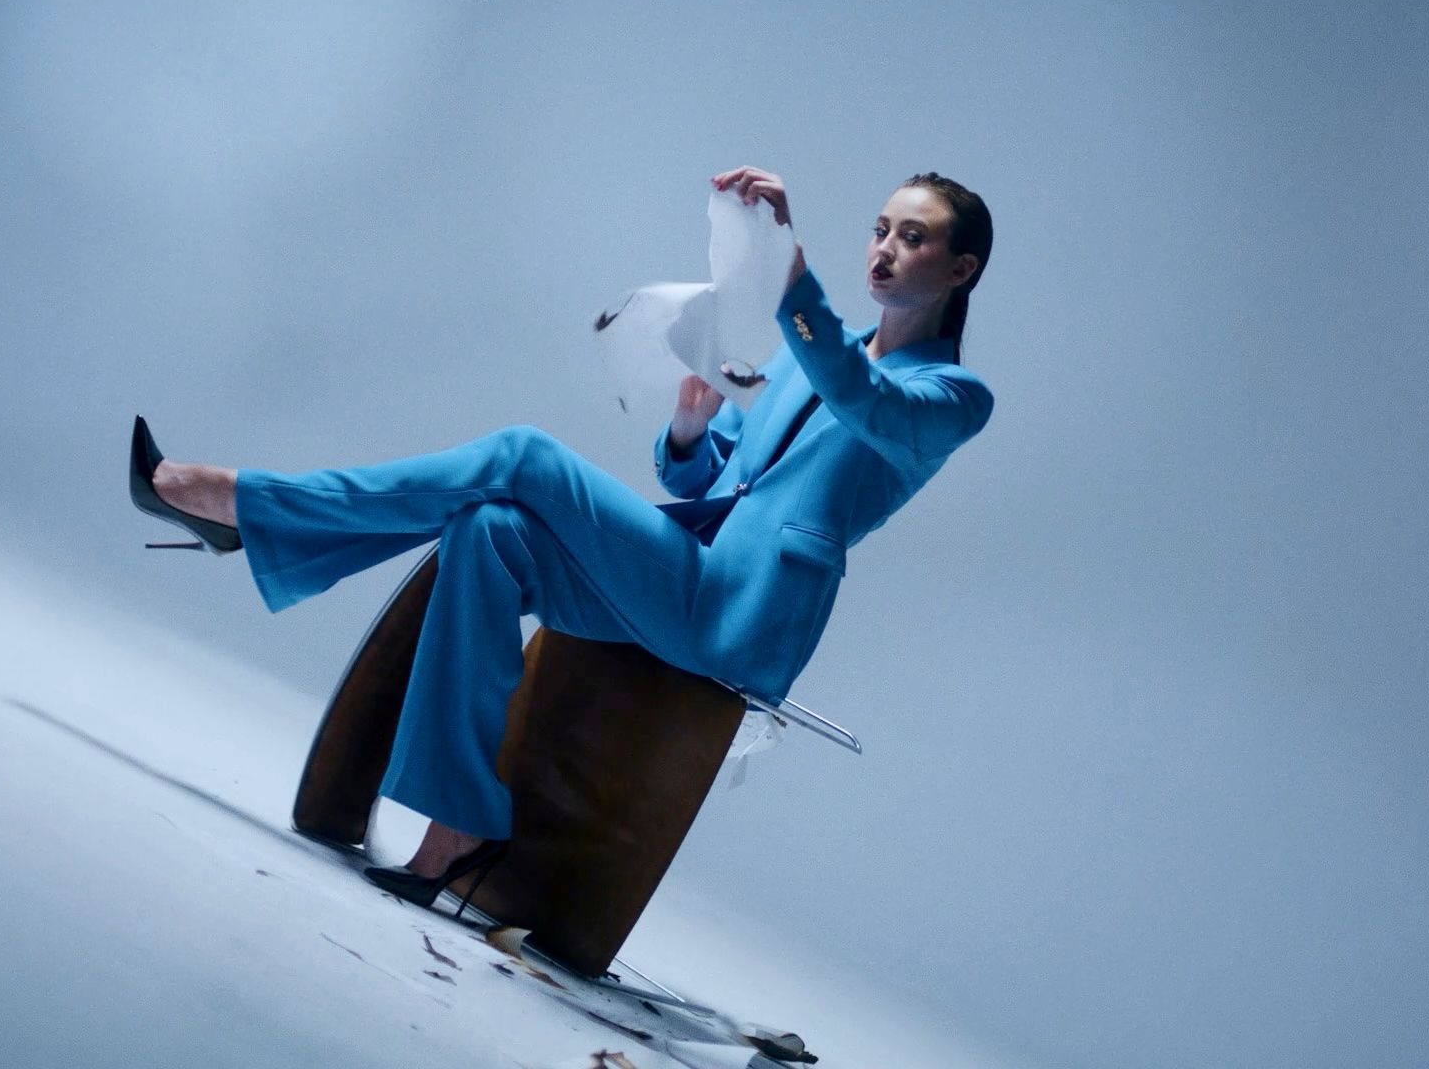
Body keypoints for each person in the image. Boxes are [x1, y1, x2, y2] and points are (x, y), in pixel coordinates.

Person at [128, 165, 995, 906]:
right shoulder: (823, 352)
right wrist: (689, 431)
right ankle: (454, 827)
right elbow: (704, 482)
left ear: (961, 269)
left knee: (522, 455)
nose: (885, 248)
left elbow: (864, 401)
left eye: (912, 237)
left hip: (739, 617)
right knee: (488, 531)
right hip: (685, 575)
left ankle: (248, 509)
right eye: (881, 229)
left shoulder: (952, 399)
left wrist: (790, 281)